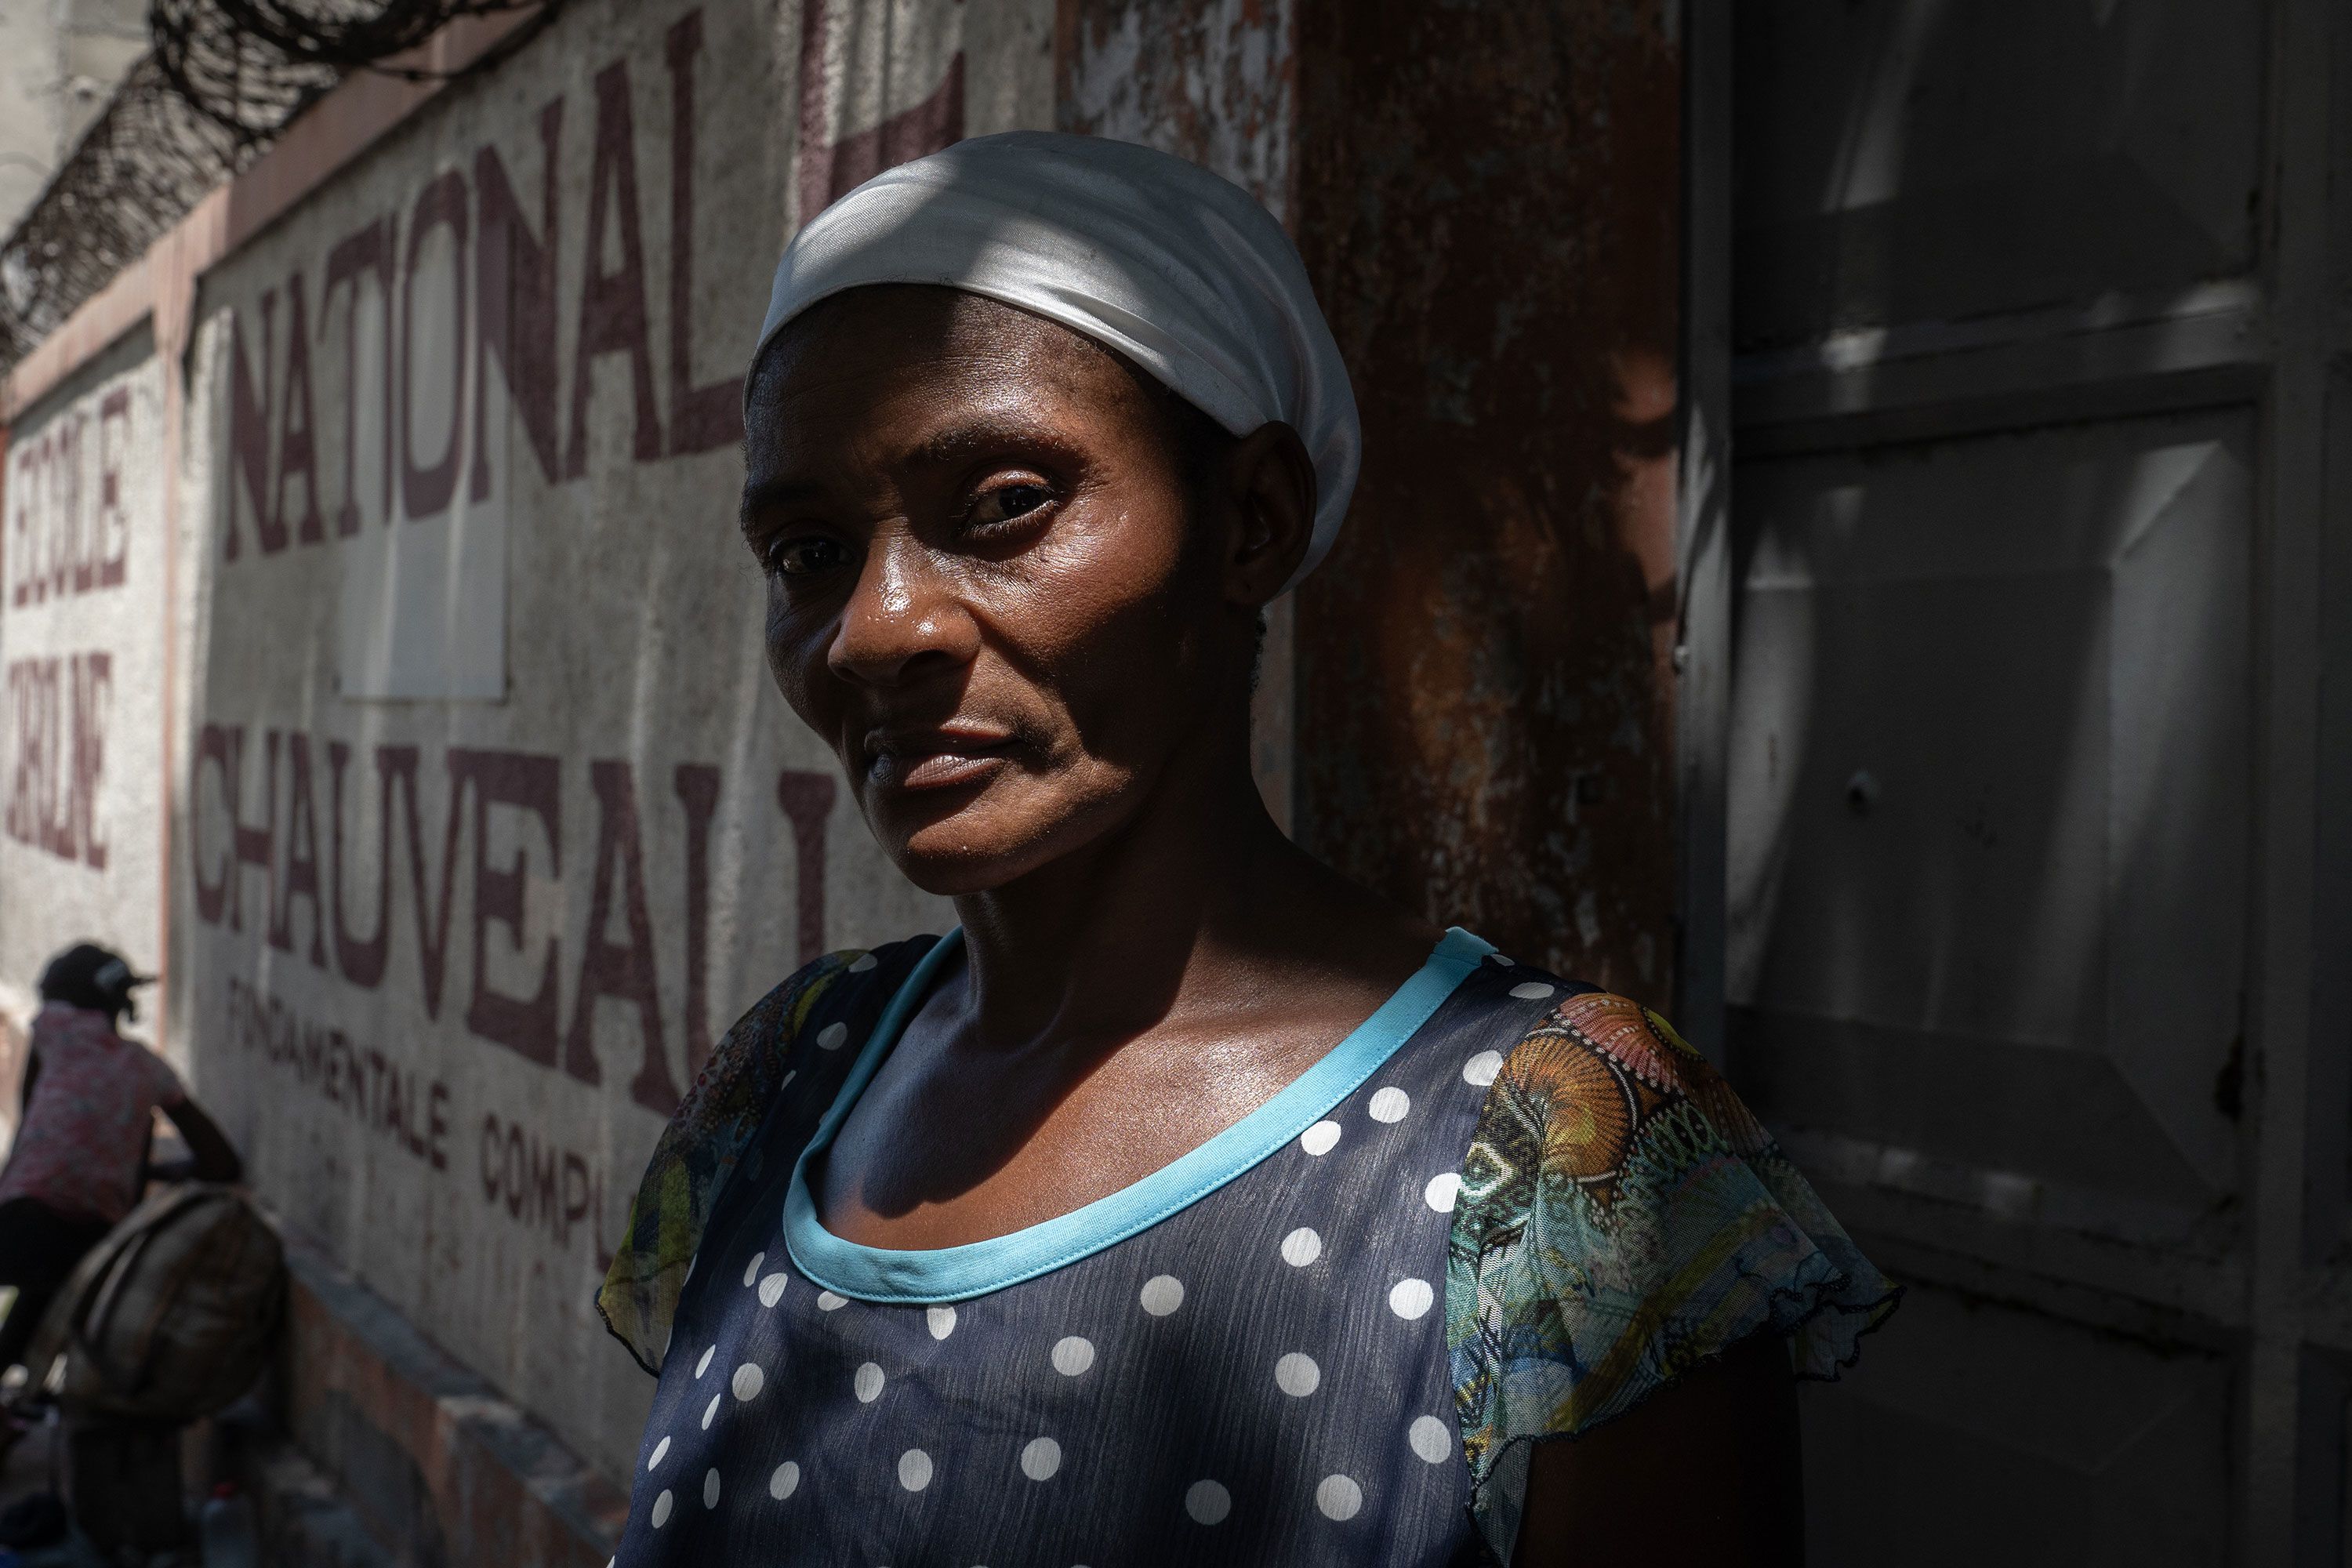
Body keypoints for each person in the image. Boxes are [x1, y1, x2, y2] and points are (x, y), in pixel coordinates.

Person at [598, 132, 1898, 1567]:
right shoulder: (790, 1077)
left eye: (1004, 507)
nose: (878, 627)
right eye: (808, 554)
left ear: (1252, 523)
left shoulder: (1563, 1166)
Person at [0, 943, 241, 1375]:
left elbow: (28, 1126)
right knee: (56, 1288)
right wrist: (160, 1171)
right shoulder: (149, 1070)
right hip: (94, 1242)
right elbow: (220, 1161)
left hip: (17, 1221)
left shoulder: (51, 1035)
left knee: (38, 1284)